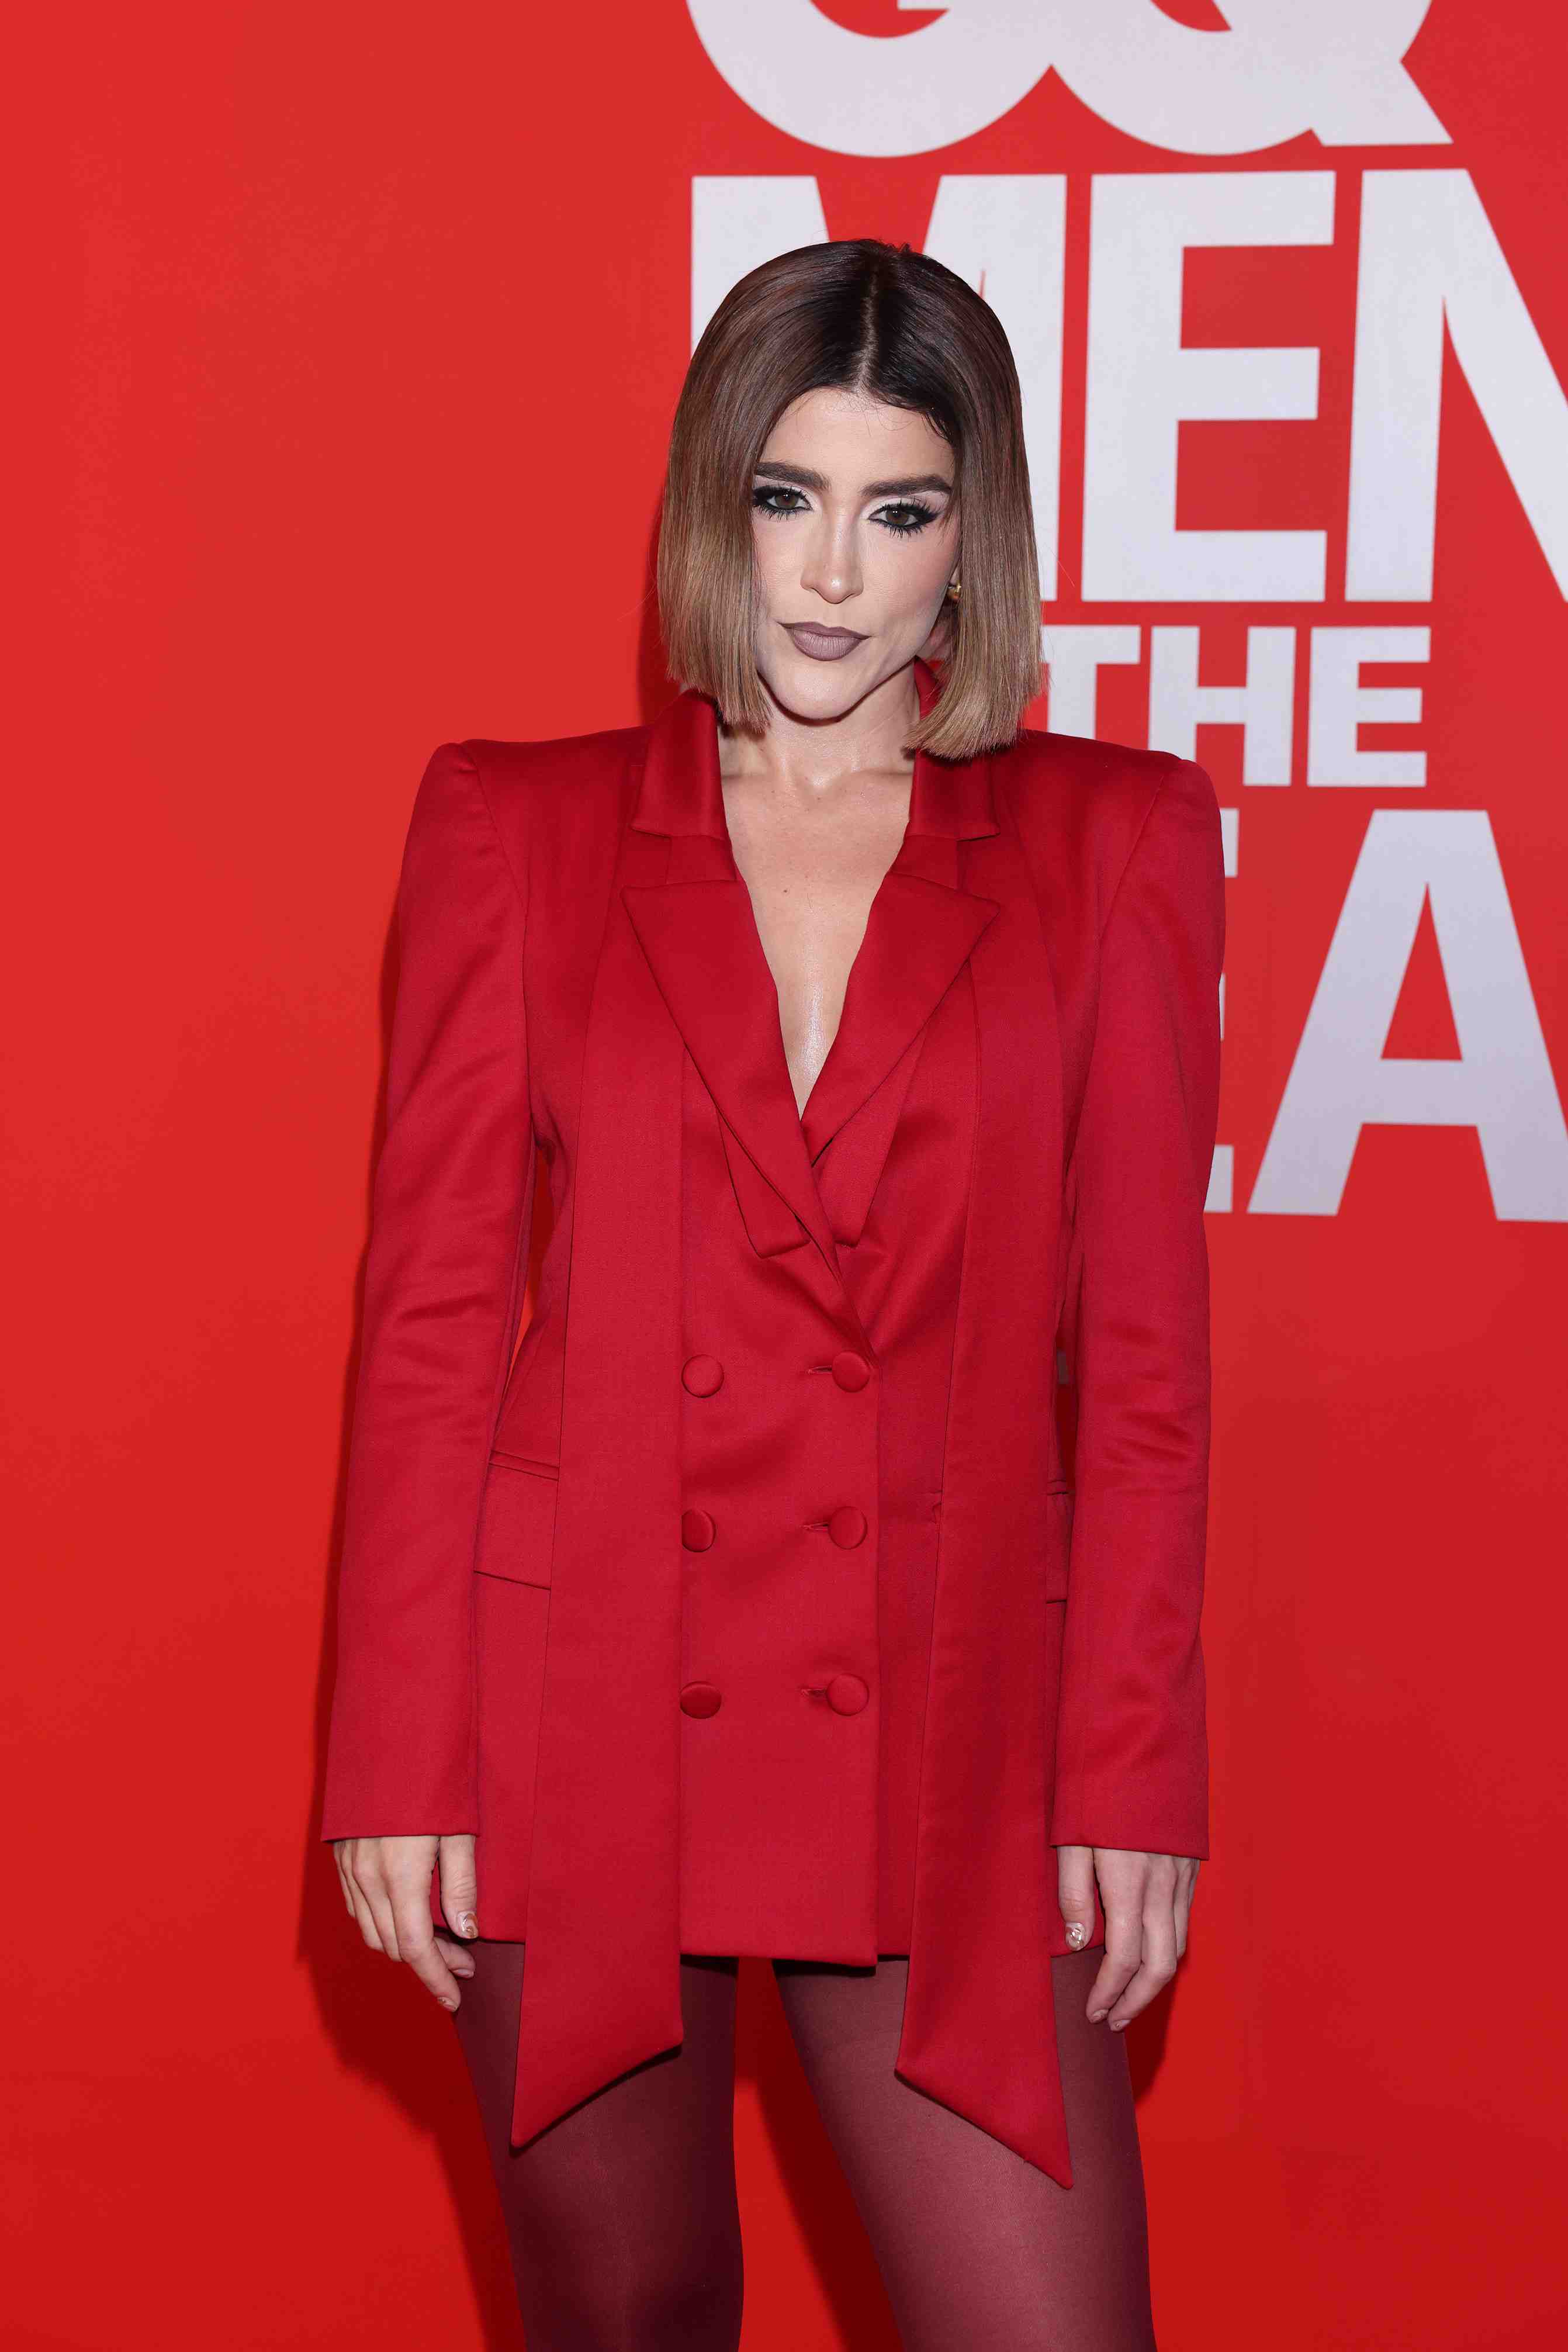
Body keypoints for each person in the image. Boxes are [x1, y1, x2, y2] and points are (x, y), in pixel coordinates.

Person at [321, 238, 1224, 2350]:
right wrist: (394, 1754)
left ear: (969, 540)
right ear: (709, 504)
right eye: (783, 496)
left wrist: (1131, 1774)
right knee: (629, 2315)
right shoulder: (517, 827)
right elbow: (431, 1330)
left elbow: (1145, 1362)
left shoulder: (1114, 841)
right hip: (576, 1707)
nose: (831, 573)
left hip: (944, 1713)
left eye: (898, 509)